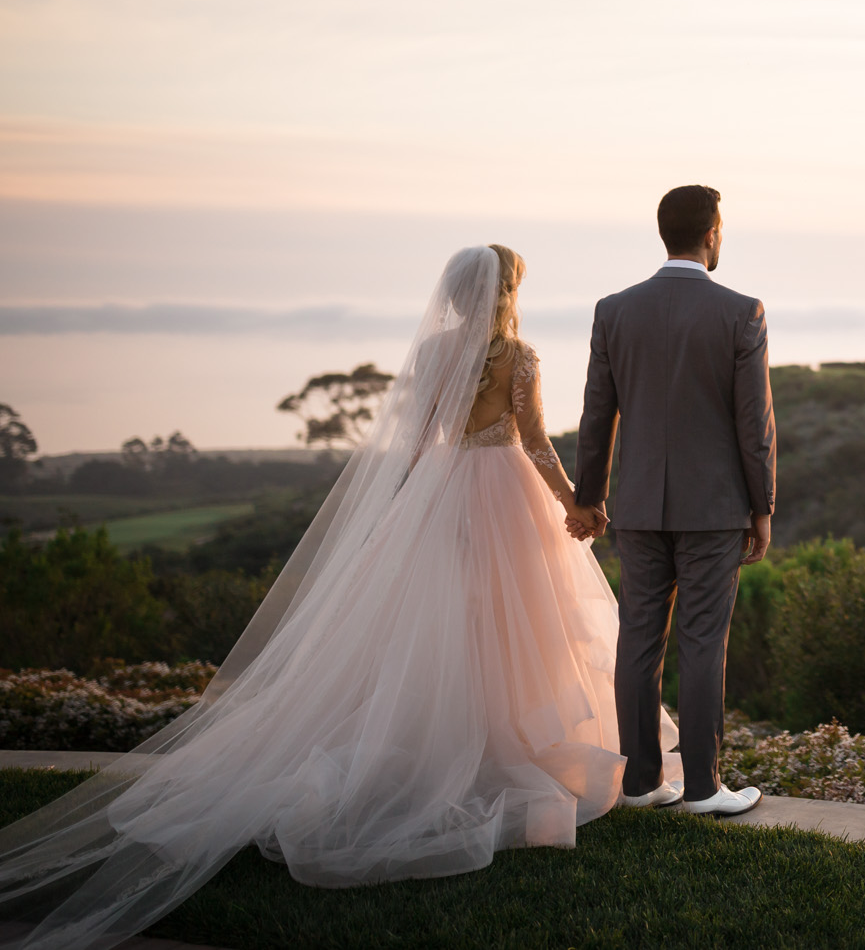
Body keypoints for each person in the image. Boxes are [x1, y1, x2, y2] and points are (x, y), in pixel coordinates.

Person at [0, 245, 679, 949]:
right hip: (506, 494)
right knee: (514, 626)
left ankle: (456, 742)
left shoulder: (433, 353)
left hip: (442, 493)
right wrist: (576, 504)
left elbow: (417, 445)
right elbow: (535, 443)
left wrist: (420, 508)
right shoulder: (520, 356)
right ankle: (503, 747)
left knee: (437, 626)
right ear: (507, 290)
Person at [575, 185, 773, 814]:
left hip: (635, 507)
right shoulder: (742, 312)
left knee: (637, 639)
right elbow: (754, 424)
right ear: (713, 232)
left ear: (664, 233)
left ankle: (638, 784)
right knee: (702, 642)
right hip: (714, 508)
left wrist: (591, 496)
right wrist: (762, 507)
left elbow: (596, 415)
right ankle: (704, 787)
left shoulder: (614, 310)